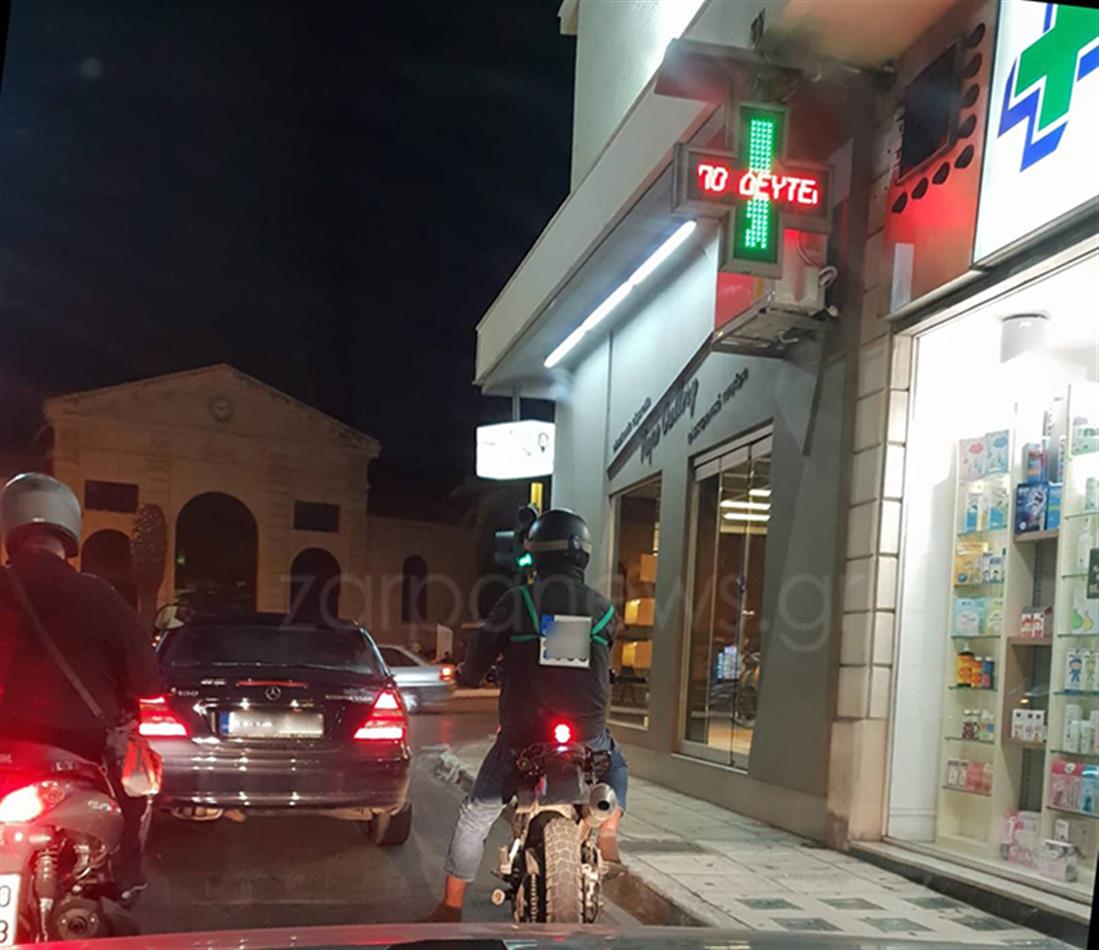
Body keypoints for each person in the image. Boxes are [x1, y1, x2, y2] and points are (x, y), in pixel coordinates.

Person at [427, 508, 627, 923]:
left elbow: (480, 653)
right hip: (586, 735)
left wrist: (468, 674)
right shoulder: (604, 610)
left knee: (476, 814)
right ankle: (608, 831)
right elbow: (601, 659)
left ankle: (450, 908)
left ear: (537, 554)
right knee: (618, 765)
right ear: (583, 555)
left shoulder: (517, 601)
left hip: (523, 738)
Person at [0, 473, 161, 900]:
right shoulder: (99, 597)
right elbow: (146, 680)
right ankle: (127, 879)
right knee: (134, 793)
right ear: (68, 531)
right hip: (78, 750)